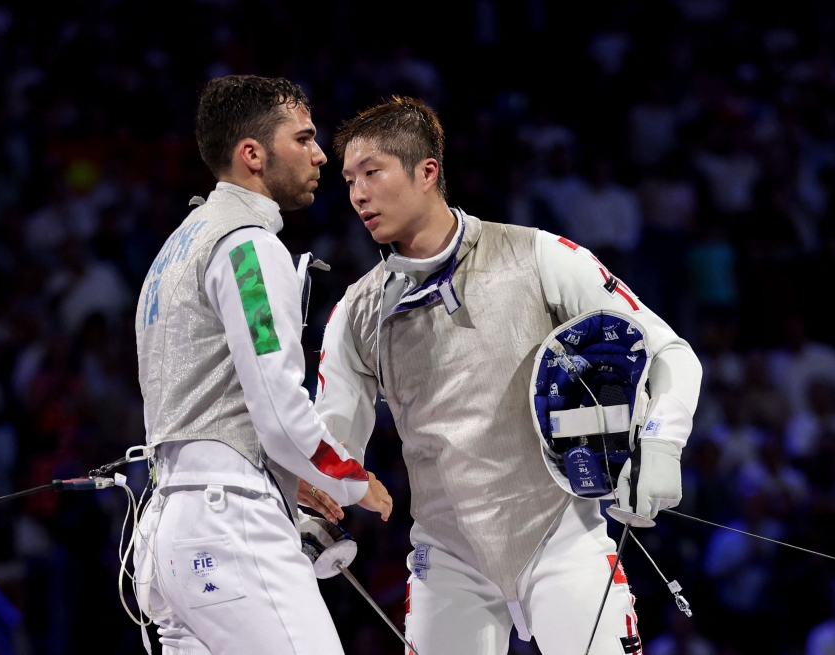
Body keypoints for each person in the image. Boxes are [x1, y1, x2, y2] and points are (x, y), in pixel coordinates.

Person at [314, 97, 702, 655]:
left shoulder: (536, 255)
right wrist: (313, 508)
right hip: (446, 560)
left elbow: (669, 351)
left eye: (372, 173)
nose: (357, 194)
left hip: (562, 537)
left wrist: (662, 442)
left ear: (427, 172)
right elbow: (332, 439)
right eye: (349, 179)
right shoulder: (357, 313)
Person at [132, 75, 393, 655]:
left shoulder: (176, 247)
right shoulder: (247, 245)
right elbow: (277, 407)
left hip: (169, 532)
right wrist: (351, 480)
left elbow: (203, 400)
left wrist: (291, 475)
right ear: (252, 154)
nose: (321, 154)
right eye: (303, 138)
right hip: (230, 527)